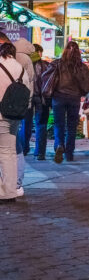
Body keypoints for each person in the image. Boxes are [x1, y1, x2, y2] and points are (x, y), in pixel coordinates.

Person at [51, 41, 89, 164]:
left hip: (58, 97)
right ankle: (69, 153)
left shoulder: (57, 64)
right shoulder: (81, 67)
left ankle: (59, 145)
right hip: (74, 98)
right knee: (72, 126)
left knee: (59, 124)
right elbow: (87, 86)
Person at [0, 42, 25, 203]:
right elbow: (28, 93)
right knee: (9, 152)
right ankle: (10, 192)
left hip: (0, 114)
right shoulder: (21, 69)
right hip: (14, 116)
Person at [13, 39, 36, 162]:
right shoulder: (27, 59)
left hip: (11, 96)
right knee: (26, 123)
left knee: (14, 124)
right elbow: (31, 79)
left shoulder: (11, 56)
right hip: (25, 95)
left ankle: (17, 146)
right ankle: (24, 147)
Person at [32, 44, 51, 161]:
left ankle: (23, 149)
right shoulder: (45, 65)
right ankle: (40, 152)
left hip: (28, 97)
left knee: (25, 123)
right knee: (41, 125)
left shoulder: (24, 64)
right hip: (42, 98)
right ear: (39, 52)